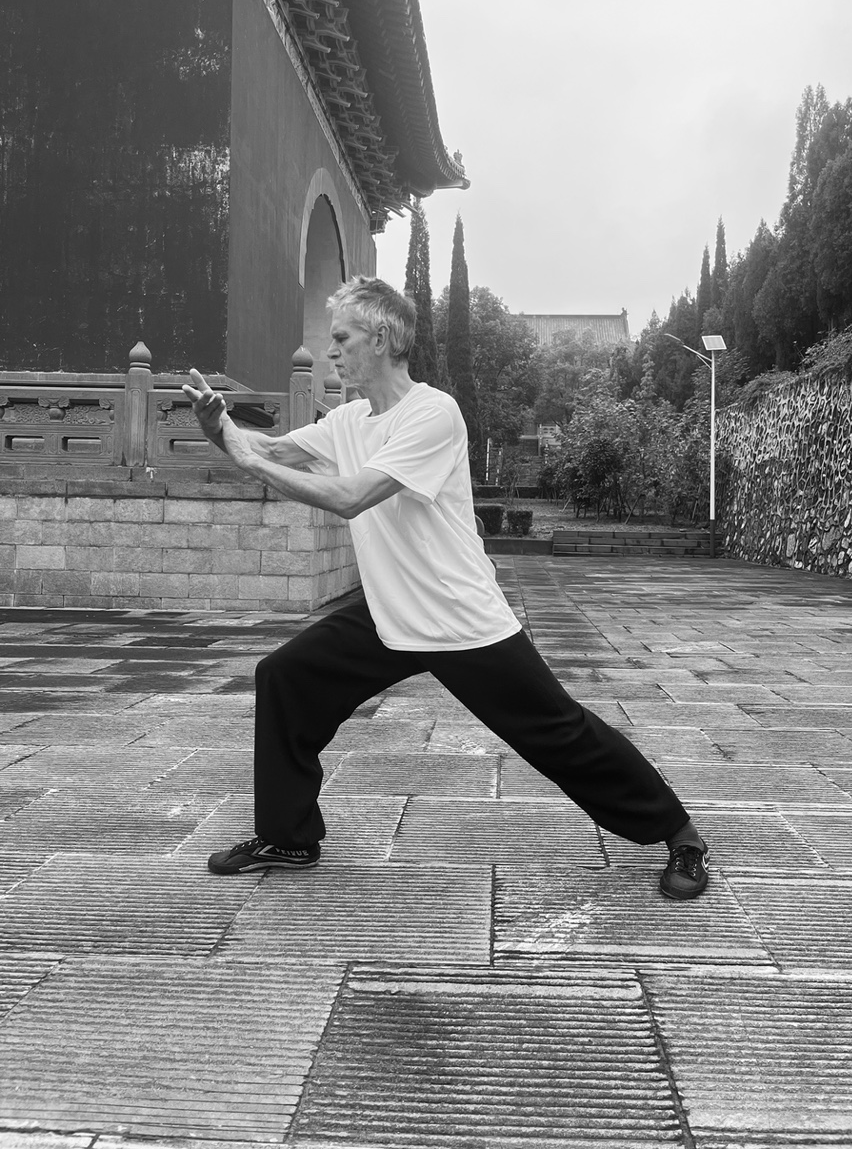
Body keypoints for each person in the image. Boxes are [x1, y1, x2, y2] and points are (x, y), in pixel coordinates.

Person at [183, 276, 709, 899]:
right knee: (285, 677)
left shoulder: (432, 413)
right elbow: (270, 449)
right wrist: (223, 430)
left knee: (557, 731)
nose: (332, 351)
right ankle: (288, 836)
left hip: (459, 617)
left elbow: (351, 498)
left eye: (342, 338)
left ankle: (681, 834)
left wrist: (248, 459)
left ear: (380, 339)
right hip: (389, 616)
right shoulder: (350, 420)